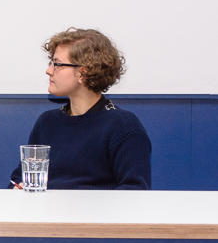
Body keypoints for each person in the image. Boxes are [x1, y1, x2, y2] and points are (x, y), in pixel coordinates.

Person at [10, 28, 151, 189]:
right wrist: (17, 189)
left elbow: (135, 190)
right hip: (45, 206)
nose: (48, 71)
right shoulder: (47, 122)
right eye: (51, 63)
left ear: (83, 73)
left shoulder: (123, 125)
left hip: (95, 207)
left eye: (57, 64)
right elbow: (18, 179)